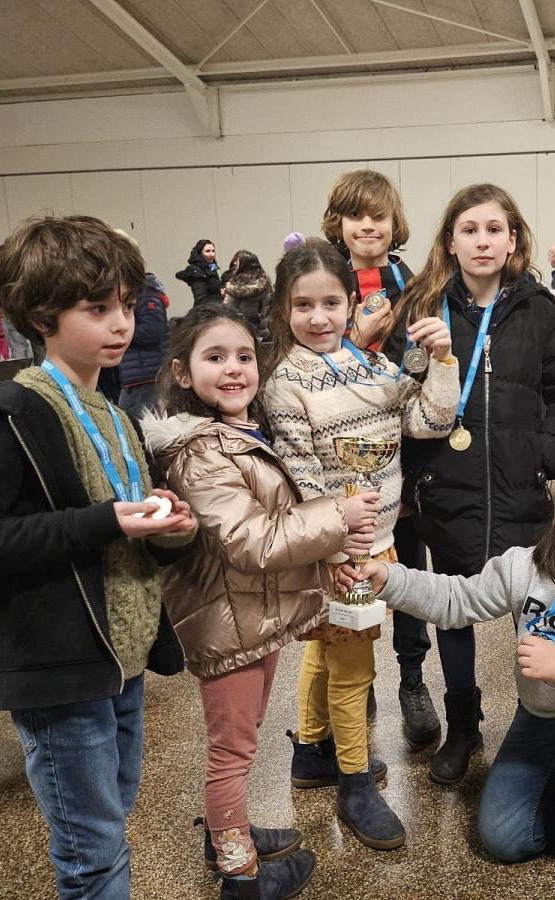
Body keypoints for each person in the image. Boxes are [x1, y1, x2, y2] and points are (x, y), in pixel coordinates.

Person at [0, 215, 197, 900]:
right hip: (59, 665)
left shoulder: (114, 414)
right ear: (44, 315)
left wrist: (167, 527)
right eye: (96, 309)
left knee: (111, 813)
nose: (121, 323)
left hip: (120, 654)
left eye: (127, 306)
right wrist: (101, 522)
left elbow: (121, 523)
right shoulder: (11, 416)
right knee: (92, 852)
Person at [339, 458, 555, 900]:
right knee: (505, 837)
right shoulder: (527, 566)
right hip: (543, 716)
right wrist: (388, 578)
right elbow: (457, 600)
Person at [144, 304, 365, 899]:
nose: (234, 369)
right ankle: (240, 875)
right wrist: (337, 517)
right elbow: (250, 541)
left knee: (246, 734)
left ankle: (228, 833)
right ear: (183, 373)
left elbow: (274, 522)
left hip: (251, 616)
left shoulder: (241, 434)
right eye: (215, 357)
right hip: (227, 622)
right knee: (233, 750)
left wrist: (328, 553)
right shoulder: (199, 452)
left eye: (244, 356)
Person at [261, 238, 459, 850]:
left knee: (325, 652)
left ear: (352, 304)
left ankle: (311, 750)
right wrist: (339, 554)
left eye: (331, 303)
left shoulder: (371, 367)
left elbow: (430, 421)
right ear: (284, 309)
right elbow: (303, 480)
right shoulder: (284, 384)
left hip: (380, 541)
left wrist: (442, 360)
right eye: (303, 305)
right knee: (353, 670)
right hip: (341, 554)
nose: (318, 318)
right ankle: (353, 783)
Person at [388, 182, 555, 785]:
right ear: (450, 242)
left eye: (494, 229)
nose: (482, 241)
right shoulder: (423, 310)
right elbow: (399, 397)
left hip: (520, 493)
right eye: (469, 230)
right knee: (454, 616)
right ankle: (463, 726)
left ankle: (542, 723)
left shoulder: (538, 310)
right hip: (448, 492)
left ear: (513, 240)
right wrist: (417, 475)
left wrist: (542, 459)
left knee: (535, 614)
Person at [320, 168, 440, 748]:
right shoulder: (322, 286)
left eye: (379, 216)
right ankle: (356, 679)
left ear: (395, 224)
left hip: (403, 462)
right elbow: (307, 367)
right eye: (356, 216)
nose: (368, 226)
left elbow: (424, 369)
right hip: (342, 466)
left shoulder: (416, 286)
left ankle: (412, 679)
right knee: (350, 573)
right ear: (338, 224)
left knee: (406, 572)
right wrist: (355, 341)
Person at [117, 271, 170, 420]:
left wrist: (122, 334)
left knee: (140, 421)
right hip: (135, 373)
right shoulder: (134, 295)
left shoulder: (147, 295)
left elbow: (152, 331)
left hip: (147, 374)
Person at [222, 250, 272, 337]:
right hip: (256, 332)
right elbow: (266, 314)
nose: (235, 265)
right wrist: (264, 335)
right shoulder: (264, 286)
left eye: (237, 263)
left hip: (235, 331)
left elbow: (227, 311)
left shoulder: (233, 286)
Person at [176, 239, 223, 307]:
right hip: (206, 310)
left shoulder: (212, 268)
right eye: (207, 251)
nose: (211, 254)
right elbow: (200, 299)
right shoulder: (197, 271)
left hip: (215, 308)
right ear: (200, 253)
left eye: (213, 251)